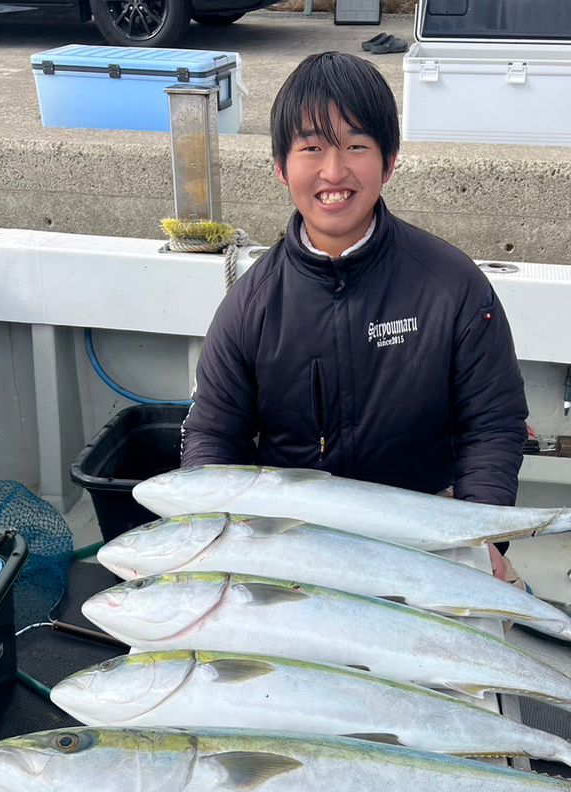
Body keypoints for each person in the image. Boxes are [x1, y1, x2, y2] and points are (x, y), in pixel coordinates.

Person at [180, 51, 529, 578]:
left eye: (356, 146)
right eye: (312, 148)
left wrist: (482, 538)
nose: (333, 171)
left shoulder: (453, 287)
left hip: (425, 534)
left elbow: (493, 426)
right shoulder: (249, 305)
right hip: (291, 537)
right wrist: (206, 532)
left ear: (389, 162)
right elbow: (213, 435)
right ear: (280, 166)